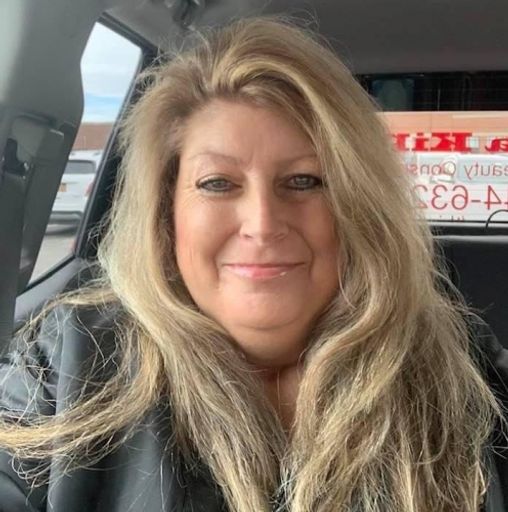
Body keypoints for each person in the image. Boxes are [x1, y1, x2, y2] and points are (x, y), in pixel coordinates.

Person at [0, 16, 507, 512]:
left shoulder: (462, 368)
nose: (263, 224)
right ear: (166, 213)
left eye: (304, 181)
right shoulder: (68, 360)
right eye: (217, 183)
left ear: (359, 206)